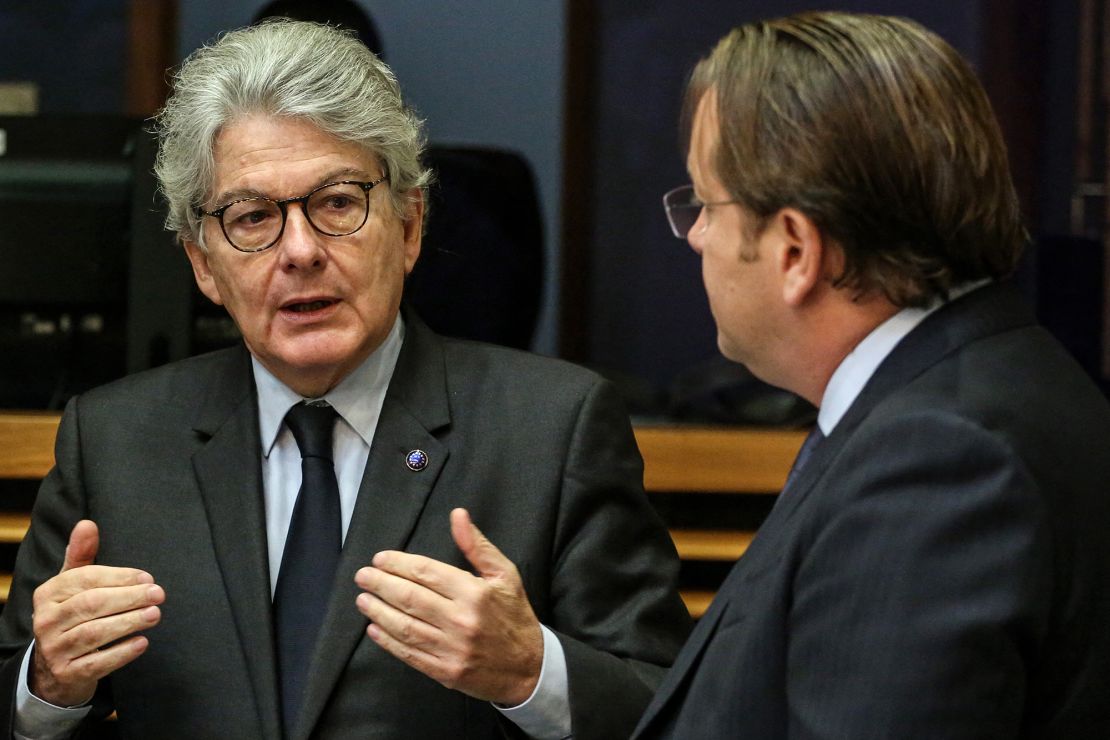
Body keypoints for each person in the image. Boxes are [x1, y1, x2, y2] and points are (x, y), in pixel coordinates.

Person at [0, 20, 691, 740]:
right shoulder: (112, 442)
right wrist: (47, 684)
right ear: (204, 264)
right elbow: (12, 688)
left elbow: (674, 710)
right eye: (253, 217)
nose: (300, 251)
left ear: (409, 224)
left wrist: (530, 672)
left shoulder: (554, 429)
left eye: (336, 203)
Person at [634, 11, 1110, 738]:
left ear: (795, 250)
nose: (695, 234)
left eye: (705, 203)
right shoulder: (965, 384)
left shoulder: (936, 460)